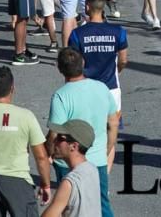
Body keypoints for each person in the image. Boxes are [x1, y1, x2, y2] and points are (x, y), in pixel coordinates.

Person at [0, 67, 52, 216]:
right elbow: (41, 157)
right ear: (13, 88)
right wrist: (45, 184)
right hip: (17, 181)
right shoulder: (26, 116)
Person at [47, 48, 120, 217]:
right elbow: (113, 124)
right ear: (83, 63)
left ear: (59, 68)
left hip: (69, 162)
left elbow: (53, 133)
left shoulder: (61, 96)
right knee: (102, 205)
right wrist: (106, 150)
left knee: (69, 207)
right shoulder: (102, 88)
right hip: (97, 160)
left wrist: (51, 152)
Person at [69, 0, 128, 137]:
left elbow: (74, 64)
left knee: (87, 131)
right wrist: (117, 70)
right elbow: (123, 60)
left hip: (86, 88)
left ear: (87, 7)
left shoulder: (77, 34)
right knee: (111, 131)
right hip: (111, 88)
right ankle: (107, 160)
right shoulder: (118, 32)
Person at [42, 120, 102, 217]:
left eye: (60, 138)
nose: (54, 141)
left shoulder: (69, 182)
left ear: (73, 146)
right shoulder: (92, 169)